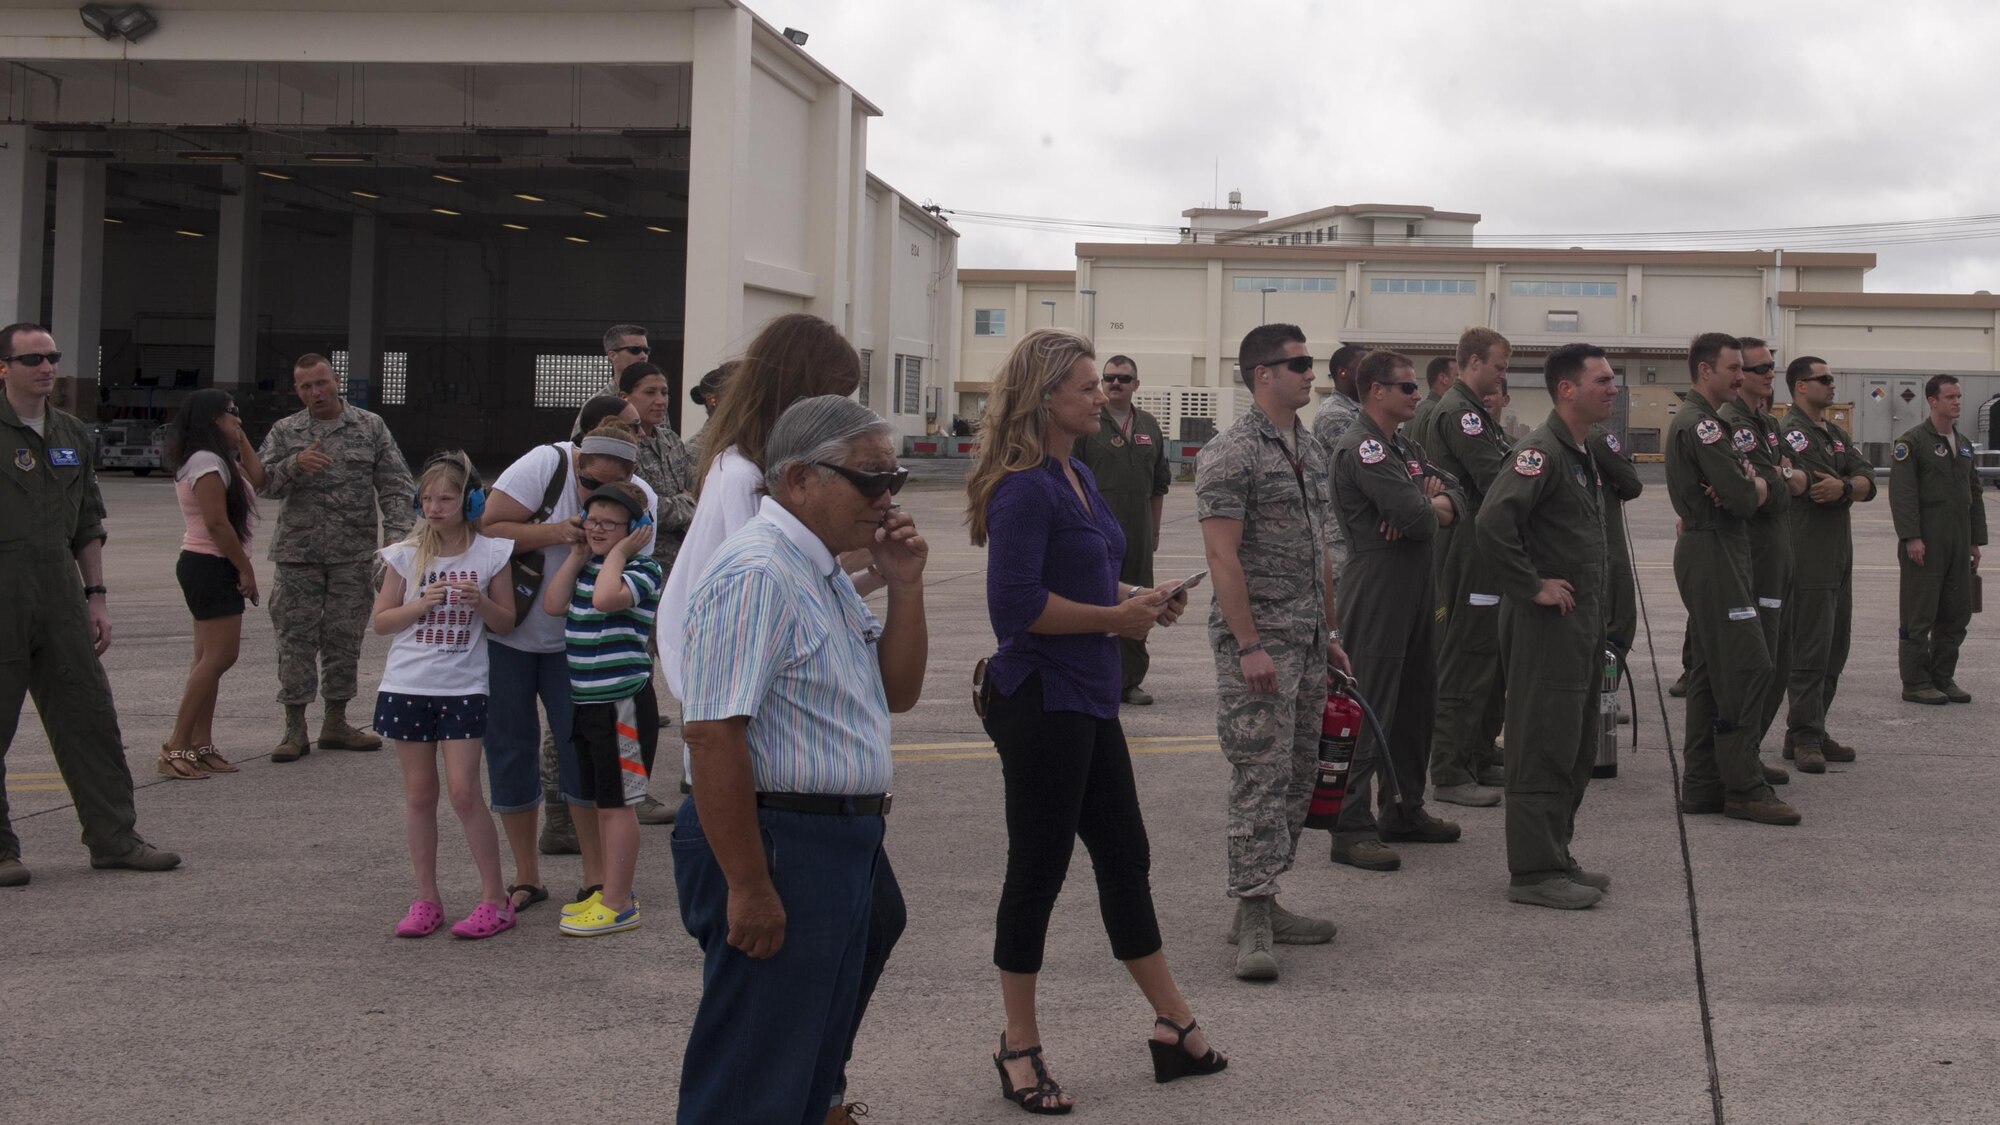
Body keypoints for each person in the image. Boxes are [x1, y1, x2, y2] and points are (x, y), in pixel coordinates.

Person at [972, 331, 1221, 1112]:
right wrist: (1117, 617)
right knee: (1038, 872)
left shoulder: (1075, 473)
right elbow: (1014, 609)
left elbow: (1078, 575)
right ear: (1045, 397)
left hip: (1086, 694)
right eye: (1084, 384)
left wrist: (1140, 597)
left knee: (1125, 854)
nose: (1097, 393)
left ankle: (1173, 1021)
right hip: (1041, 698)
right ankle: (1018, 1044)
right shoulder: (1023, 487)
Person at [654, 315, 894, 1124]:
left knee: (796, 1058)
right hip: (776, 824)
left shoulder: (812, 558)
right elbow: (715, 719)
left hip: (825, 831)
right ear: (800, 478)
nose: (885, 496)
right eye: (869, 479)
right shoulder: (755, 536)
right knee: (752, 1074)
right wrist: (749, 880)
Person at [0, 322, 179, 886]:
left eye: (51, 356)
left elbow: (87, 521)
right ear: (4, 368)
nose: (46, 367)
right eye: (31, 359)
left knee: (90, 717)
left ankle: (114, 838)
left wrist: (96, 596)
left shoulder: (72, 434)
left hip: (60, 598)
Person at [1198, 322, 1348, 982]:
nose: (1310, 373)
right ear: (1263, 373)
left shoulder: (1309, 450)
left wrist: (1333, 635)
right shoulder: (1232, 453)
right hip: (1260, 646)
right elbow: (1221, 555)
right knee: (1258, 776)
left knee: (1296, 774)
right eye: (1299, 363)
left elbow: (1322, 551)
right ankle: (1252, 913)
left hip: (1309, 640)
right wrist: (1250, 643)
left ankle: (1269, 894)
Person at [479, 421, 659, 918]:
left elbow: (621, 580)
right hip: (513, 635)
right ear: (577, 459)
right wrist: (559, 534)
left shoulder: (639, 505)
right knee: (510, 751)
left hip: (584, 664)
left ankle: (600, 882)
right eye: (587, 484)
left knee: (587, 764)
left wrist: (607, 548)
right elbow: (488, 527)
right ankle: (526, 877)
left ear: (630, 477)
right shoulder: (546, 465)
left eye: (605, 490)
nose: (591, 502)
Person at [1476, 343, 1618, 909]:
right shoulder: (1541, 452)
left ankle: (1556, 853)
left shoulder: (1579, 451)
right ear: (1567, 389)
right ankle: (1533, 872)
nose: (1612, 388)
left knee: (1574, 740)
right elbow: (1492, 522)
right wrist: (1531, 584)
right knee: (1540, 741)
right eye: (1602, 380)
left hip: (1578, 624)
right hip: (1546, 625)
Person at [1327, 350, 1465, 876]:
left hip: (1416, 583)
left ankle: (1404, 808)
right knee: (1372, 704)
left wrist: (1430, 502)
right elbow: (1417, 517)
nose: (1415, 394)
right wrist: (1421, 505)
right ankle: (1351, 824)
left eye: (1414, 387)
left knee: (1415, 701)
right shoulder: (1363, 447)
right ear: (1376, 391)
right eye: (1406, 388)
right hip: (1378, 582)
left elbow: (1457, 494)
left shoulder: (1401, 447)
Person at [369, 452, 518, 939]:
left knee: (464, 792)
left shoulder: (491, 554)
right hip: (407, 685)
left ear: (469, 501)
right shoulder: (406, 555)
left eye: (446, 498)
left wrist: (482, 603)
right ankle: (426, 898)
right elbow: (381, 622)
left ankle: (495, 899)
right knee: (419, 795)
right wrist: (418, 605)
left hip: (462, 687)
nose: (434, 507)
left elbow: (507, 622)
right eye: (427, 498)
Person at [256, 353, 415, 761]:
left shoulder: (369, 426)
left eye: (321, 383)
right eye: (306, 387)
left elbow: (396, 485)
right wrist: (294, 464)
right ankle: (294, 728)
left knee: (344, 639)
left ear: (336, 380)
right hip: (298, 555)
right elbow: (262, 484)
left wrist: (395, 541)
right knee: (295, 640)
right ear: (297, 390)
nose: (316, 393)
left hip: (353, 555)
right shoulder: (285, 430)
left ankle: (336, 721)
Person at [1667, 333, 1799, 825]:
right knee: (1745, 668)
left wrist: (1751, 482)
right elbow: (1744, 498)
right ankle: (1743, 786)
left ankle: (1703, 784)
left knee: (1708, 671)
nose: (1742, 377)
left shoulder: (1706, 423)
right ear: (1705, 371)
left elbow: (1742, 490)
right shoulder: (1701, 426)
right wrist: (1766, 480)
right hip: (1714, 549)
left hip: (1721, 548)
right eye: (1733, 369)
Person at [540, 482, 664, 936]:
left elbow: (606, 600)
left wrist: (617, 554)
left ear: (637, 531)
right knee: (599, 799)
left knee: (619, 804)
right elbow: (554, 604)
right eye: (591, 520)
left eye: (609, 524)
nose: (596, 529)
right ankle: (609, 891)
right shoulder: (589, 565)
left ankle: (619, 902)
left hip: (623, 705)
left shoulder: (643, 569)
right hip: (587, 703)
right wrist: (577, 554)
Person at [1415, 327, 1514, 806]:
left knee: (1489, 656)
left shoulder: (1477, 413)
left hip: (1485, 548)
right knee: (1466, 657)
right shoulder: (1460, 414)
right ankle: (1450, 771)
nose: (1502, 376)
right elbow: (1497, 475)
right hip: (1467, 548)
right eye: (1498, 366)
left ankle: (1475, 752)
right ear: (1473, 362)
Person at [160, 389, 265, 779]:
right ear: (211, 419)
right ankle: (176, 745)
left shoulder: (218, 459)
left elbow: (259, 477)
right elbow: (216, 524)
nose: (238, 418)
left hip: (211, 563)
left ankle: (200, 745)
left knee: (209, 660)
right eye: (231, 413)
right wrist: (245, 569)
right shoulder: (204, 462)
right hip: (210, 563)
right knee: (221, 657)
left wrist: (239, 436)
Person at [1778, 356, 1875, 770]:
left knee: (1837, 644)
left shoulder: (1835, 432)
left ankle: (1814, 726)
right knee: (1811, 647)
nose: (1833, 385)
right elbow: (1817, 485)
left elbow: (1866, 478)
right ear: (1801, 386)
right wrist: (1845, 485)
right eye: (1825, 379)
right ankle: (1803, 737)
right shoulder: (1789, 433)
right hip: (1810, 551)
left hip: (1839, 554)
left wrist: (1849, 485)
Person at [613, 361, 696, 825]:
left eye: (664, 392)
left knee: (689, 674)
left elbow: (685, 493)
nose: (660, 400)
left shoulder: (666, 438)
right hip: (631, 580)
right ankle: (632, 791)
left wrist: (677, 505)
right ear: (626, 394)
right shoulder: (619, 439)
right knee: (633, 690)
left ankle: (694, 768)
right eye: (650, 392)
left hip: (673, 576)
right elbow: (644, 506)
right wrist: (679, 506)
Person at [1719, 337, 1805, 774]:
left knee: (1779, 659)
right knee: (1757, 662)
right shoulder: (1733, 422)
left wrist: (1783, 476)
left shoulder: (1766, 423)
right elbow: (1767, 493)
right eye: (1759, 369)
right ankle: (1739, 758)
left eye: (1772, 366)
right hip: (1753, 555)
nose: (1769, 374)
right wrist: (1786, 477)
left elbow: (1784, 475)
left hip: (1777, 552)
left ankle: (1749, 751)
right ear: (1739, 376)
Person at [1070, 353, 1173, 706]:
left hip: (1139, 531)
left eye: (1123, 379)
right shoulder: (1088, 425)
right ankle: (1095, 675)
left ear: (1136, 385)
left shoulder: (1148, 426)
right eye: (1109, 377)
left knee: (1142, 600)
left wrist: (1155, 529)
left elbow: (1160, 484)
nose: (1115, 383)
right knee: (1096, 597)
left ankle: (1130, 680)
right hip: (1096, 530)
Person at [1891, 374, 1987, 704]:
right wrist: (1911, 537)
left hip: (1958, 542)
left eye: (1959, 396)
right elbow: (1902, 494)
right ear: (1932, 400)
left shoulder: (1961, 444)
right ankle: (1915, 681)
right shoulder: (1912, 442)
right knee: (1919, 615)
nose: (1957, 401)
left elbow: (1973, 492)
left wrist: (1975, 541)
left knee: (1957, 613)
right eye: (1950, 397)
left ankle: (1942, 677)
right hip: (1926, 541)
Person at [1309, 343, 1369, 582]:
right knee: (1342, 608)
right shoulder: (1333, 415)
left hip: (1359, 527)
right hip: (1340, 531)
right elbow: (1370, 461)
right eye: (1363, 368)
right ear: (1343, 372)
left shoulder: (1362, 411)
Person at [1407, 355, 1457, 440]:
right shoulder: (1443, 413)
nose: (1464, 381)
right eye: (1458, 375)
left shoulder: (1417, 411)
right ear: (1443, 378)